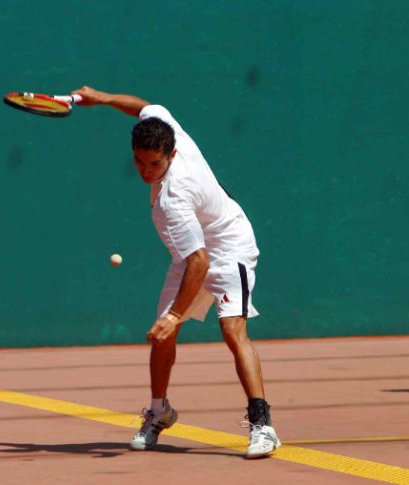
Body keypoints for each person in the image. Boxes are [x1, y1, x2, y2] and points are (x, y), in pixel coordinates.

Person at [71, 86, 281, 457]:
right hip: (193, 253)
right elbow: (141, 107)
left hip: (228, 245)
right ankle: (159, 411)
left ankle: (263, 425)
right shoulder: (165, 125)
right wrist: (100, 98)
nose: (145, 171)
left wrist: (175, 314)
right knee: (162, 337)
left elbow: (201, 261)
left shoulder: (173, 199)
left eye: (154, 164)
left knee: (232, 330)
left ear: (172, 153)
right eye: (138, 162)